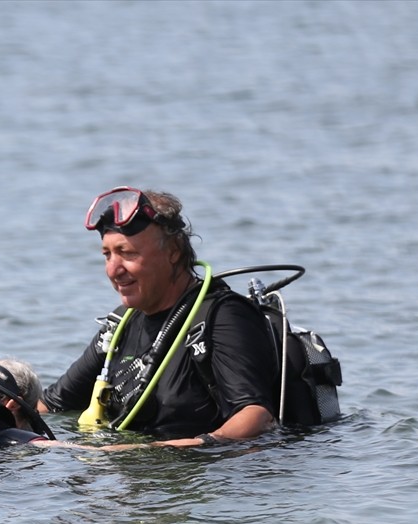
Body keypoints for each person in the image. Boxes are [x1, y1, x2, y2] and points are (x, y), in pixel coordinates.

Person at [39, 186, 279, 449]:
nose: (114, 270)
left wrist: (160, 449)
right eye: (107, 255)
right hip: (135, 474)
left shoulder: (222, 316)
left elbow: (256, 416)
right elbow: (52, 405)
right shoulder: (121, 324)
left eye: (128, 253)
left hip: (203, 475)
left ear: (173, 251)